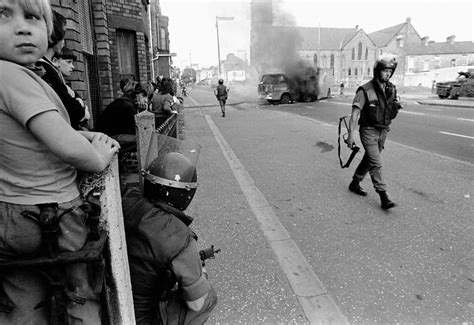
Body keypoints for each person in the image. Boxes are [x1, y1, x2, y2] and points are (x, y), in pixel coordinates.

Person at [0, 0, 120, 323]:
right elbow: (61, 142)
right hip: (54, 211)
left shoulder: (25, 75)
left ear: (47, 29)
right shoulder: (11, 77)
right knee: (80, 291)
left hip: (11, 215)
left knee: (22, 298)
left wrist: (82, 136)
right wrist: (98, 157)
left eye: (33, 17)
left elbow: (42, 134)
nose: (22, 27)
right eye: (3, 15)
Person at [121, 134, 217, 324]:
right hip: (142, 319)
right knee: (207, 298)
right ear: (187, 194)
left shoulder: (126, 203)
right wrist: (201, 274)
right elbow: (196, 304)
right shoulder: (180, 237)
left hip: (115, 300)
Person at [346, 57, 403, 210]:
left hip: (383, 131)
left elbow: (390, 114)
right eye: (385, 71)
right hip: (369, 131)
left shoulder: (391, 89)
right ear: (378, 71)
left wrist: (397, 107)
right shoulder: (365, 90)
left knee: (369, 159)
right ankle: (383, 196)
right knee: (376, 163)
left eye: (390, 72)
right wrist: (351, 135)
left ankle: (355, 183)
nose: (388, 74)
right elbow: (355, 114)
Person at [35, 10, 88, 130]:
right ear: (54, 35)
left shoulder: (48, 66)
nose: (64, 41)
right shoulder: (43, 68)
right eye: (63, 34)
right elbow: (72, 110)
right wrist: (81, 108)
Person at [96, 81, 149, 155]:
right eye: (143, 95)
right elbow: (138, 130)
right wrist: (142, 113)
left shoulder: (125, 102)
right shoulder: (128, 106)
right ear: (136, 94)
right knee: (144, 140)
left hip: (105, 136)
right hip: (108, 138)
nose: (146, 100)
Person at [52, 47, 91, 129]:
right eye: (68, 62)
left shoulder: (65, 83)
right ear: (55, 61)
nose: (72, 66)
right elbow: (77, 110)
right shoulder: (55, 82)